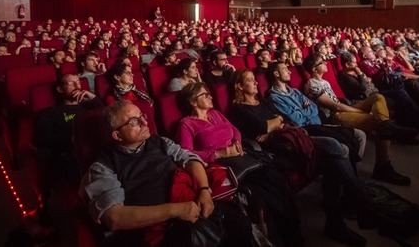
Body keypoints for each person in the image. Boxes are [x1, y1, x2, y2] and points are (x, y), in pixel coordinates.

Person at [231, 69, 374, 246]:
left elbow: (280, 119)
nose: (256, 83)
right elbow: (262, 125)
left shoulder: (263, 102)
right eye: (250, 80)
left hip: (294, 139)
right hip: (279, 151)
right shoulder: (238, 109)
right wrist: (273, 125)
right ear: (239, 86)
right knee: (336, 149)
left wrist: (272, 127)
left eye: (255, 79)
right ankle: (360, 203)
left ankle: (338, 220)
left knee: (336, 156)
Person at [80, 100, 246, 247]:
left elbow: (191, 160)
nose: (145, 122)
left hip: (194, 203)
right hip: (160, 228)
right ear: (117, 135)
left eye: (142, 116)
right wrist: (176, 210)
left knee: (238, 222)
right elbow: (114, 217)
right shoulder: (103, 166)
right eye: (134, 121)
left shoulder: (160, 142)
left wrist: (204, 190)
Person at [176, 82, 304, 247]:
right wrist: (218, 153)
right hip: (222, 165)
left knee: (278, 181)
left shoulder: (215, 114)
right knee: (265, 192)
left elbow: (234, 129)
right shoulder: (186, 124)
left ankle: (293, 235)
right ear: (193, 101)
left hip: (243, 158)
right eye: (205, 95)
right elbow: (187, 154)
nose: (211, 97)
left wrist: (237, 142)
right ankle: (284, 238)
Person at [302, 54, 415, 185]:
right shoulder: (311, 85)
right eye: (321, 62)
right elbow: (335, 106)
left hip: (346, 107)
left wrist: (355, 107)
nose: (326, 63)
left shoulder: (324, 82)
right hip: (336, 116)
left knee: (377, 97)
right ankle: (383, 166)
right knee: (377, 122)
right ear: (315, 69)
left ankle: (386, 124)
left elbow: (338, 101)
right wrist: (360, 111)